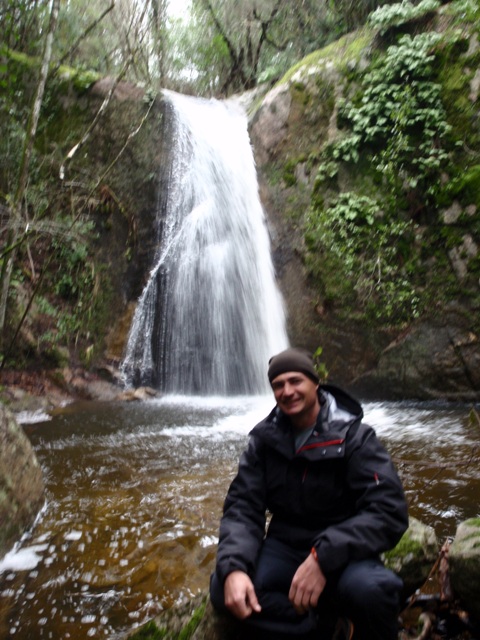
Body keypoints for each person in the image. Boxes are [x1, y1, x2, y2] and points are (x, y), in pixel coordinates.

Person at [210, 347, 409, 640]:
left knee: (372, 590)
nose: (287, 391)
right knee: (225, 587)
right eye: (278, 385)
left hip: (344, 550)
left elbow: (388, 510)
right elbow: (242, 507)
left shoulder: (354, 436)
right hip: (286, 545)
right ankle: (328, 628)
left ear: (316, 383)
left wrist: (323, 556)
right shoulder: (265, 440)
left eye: (295, 381)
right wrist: (235, 566)